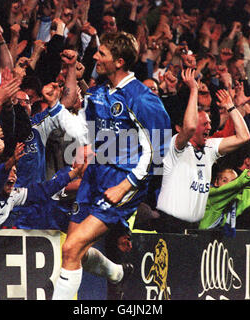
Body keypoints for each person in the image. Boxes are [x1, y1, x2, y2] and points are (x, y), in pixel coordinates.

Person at [51, 31, 171, 300]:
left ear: (118, 61)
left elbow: (158, 152)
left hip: (122, 183)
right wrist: (66, 85)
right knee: (73, 250)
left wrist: (124, 186)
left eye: (101, 53)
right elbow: (78, 116)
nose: (95, 56)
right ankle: (117, 273)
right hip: (95, 178)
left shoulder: (142, 99)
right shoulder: (102, 91)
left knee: (71, 247)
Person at [155, 82, 250, 233]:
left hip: (195, 225)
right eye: (204, 124)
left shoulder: (210, 147)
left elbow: (244, 137)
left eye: (210, 123)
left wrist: (231, 107)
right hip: (170, 223)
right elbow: (190, 127)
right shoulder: (176, 147)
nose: (209, 127)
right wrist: (193, 90)